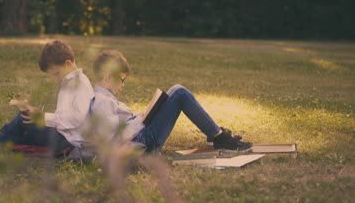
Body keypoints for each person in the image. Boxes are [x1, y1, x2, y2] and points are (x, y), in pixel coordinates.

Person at [89, 50, 252, 152]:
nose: (123, 85)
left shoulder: (105, 98)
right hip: (142, 144)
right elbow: (112, 140)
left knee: (175, 90)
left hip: (141, 136)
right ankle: (220, 138)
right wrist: (139, 121)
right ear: (108, 77)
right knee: (180, 93)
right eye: (122, 80)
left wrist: (141, 118)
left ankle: (214, 133)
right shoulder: (103, 102)